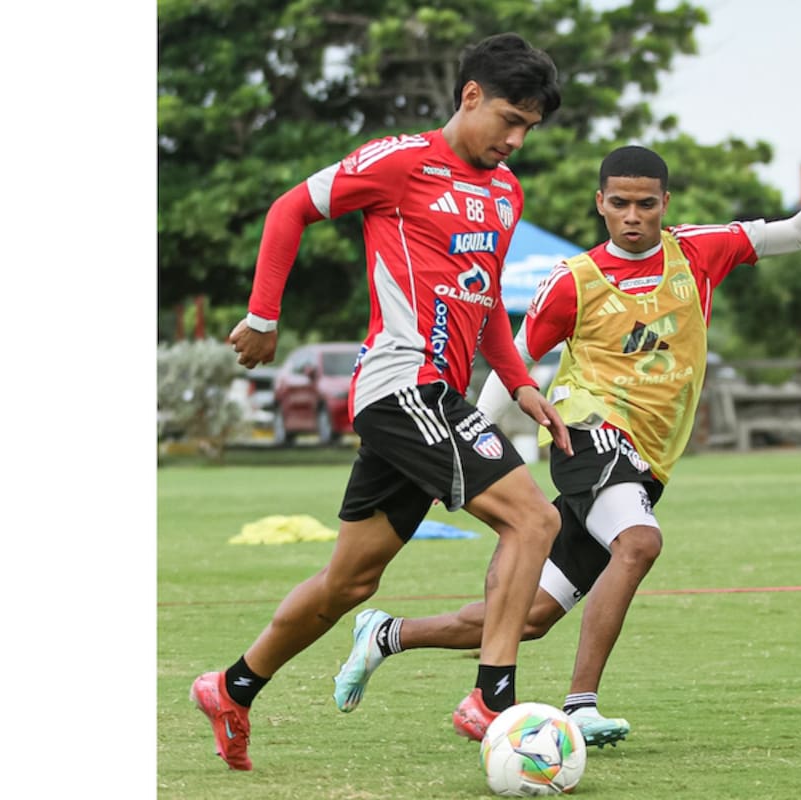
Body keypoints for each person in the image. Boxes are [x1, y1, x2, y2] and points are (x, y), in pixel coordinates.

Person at [330, 137, 801, 747]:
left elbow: (798, 234)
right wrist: (466, 453)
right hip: (587, 434)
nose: (634, 216)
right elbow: (512, 364)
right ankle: (581, 704)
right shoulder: (574, 282)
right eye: (620, 204)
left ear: (665, 202)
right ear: (601, 203)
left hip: (648, 460)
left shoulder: (698, 251)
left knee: (532, 617)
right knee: (639, 543)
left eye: (647, 204)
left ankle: (386, 633)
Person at [190, 33, 575, 771]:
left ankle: (233, 686)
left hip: (434, 396)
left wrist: (522, 383)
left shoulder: (505, 191)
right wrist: (264, 316)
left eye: (530, 127)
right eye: (510, 119)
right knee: (535, 518)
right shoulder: (399, 162)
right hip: (403, 384)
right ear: (470, 96)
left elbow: (485, 298)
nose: (518, 139)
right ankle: (492, 697)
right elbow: (289, 209)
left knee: (350, 582)